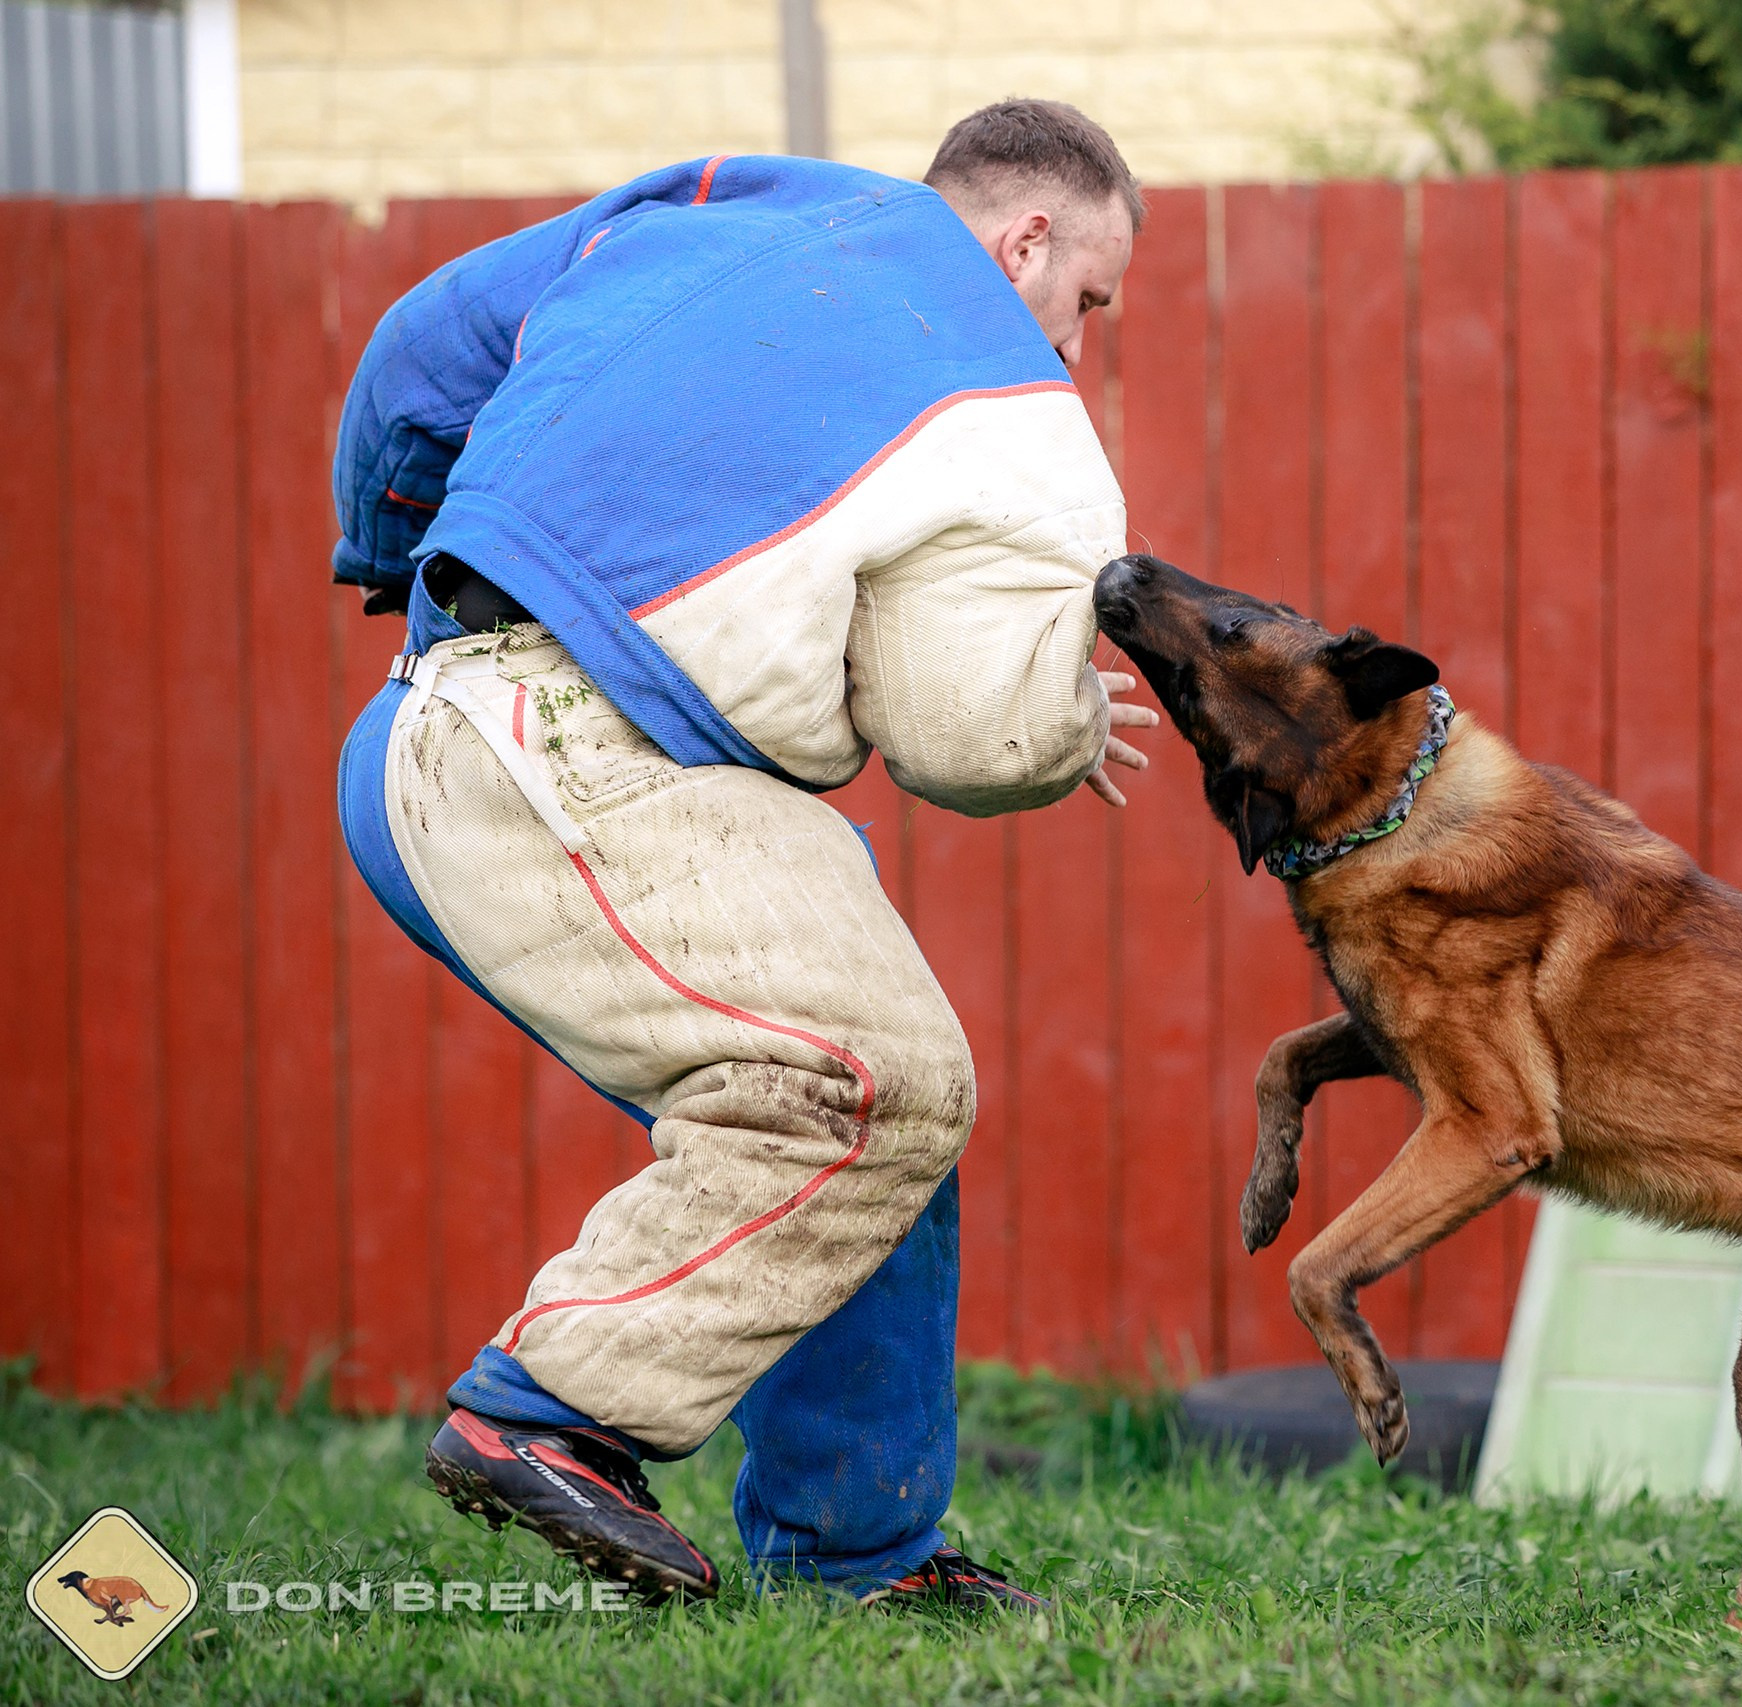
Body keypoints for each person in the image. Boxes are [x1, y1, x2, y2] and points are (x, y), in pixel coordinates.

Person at [330, 100, 1155, 1612]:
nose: (1079, 350)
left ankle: (857, 1561)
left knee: (887, 1106)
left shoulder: (718, 202)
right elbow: (964, 738)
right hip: (565, 753)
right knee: (855, 1084)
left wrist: (405, 563)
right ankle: (546, 1410)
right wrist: (1065, 718)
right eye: (1089, 301)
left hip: (441, 748)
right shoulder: (1012, 401)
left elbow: (420, 351)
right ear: (1026, 241)